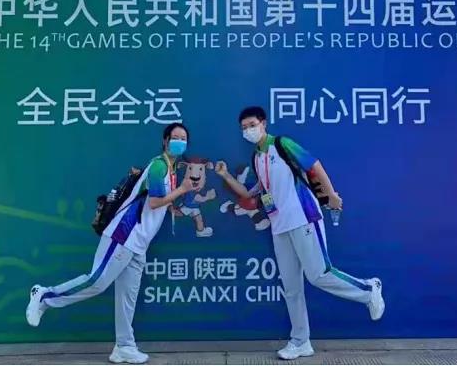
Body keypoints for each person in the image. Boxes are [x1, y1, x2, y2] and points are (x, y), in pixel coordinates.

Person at [215, 106, 385, 360]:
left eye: (252, 125)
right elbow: (251, 194)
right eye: (244, 128)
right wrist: (226, 176)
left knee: (319, 274)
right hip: (279, 226)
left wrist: (331, 195)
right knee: (291, 287)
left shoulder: (282, 144)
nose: (248, 130)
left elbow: (314, 164)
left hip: (303, 216)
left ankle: (369, 289)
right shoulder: (256, 157)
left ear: (263, 123)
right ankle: (300, 340)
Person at [25, 123, 195, 364]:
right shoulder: (159, 165)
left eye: (183, 138)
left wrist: (182, 194)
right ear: (165, 141)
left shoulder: (172, 168)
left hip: (139, 244)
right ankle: (44, 296)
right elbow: (155, 202)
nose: (179, 141)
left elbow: (158, 205)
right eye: (175, 137)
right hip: (124, 235)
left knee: (127, 297)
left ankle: (124, 346)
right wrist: (183, 190)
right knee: (97, 281)